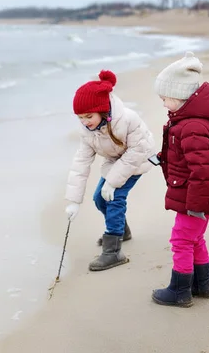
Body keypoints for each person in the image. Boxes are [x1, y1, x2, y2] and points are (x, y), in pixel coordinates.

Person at [151, 51, 209, 306]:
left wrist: (195, 206)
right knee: (195, 238)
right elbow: (191, 157)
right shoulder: (190, 122)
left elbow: (202, 170)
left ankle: (180, 291)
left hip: (196, 198)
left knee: (181, 240)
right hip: (199, 195)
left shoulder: (192, 126)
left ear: (180, 97)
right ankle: (202, 285)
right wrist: (162, 157)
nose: (163, 104)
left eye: (165, 98)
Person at [65, 70, 155, 271]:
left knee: (114, 197)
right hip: (117, 160)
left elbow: (137, 151)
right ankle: (122, 231)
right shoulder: (88, 130)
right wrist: (73, 200)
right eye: (80, 118)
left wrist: (112, 182)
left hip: (138, 158)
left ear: (103, 110)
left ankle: (113, 251)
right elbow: (81, 162)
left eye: (89, 116)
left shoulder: (128, 119)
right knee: (99, 198)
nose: (85, 122)